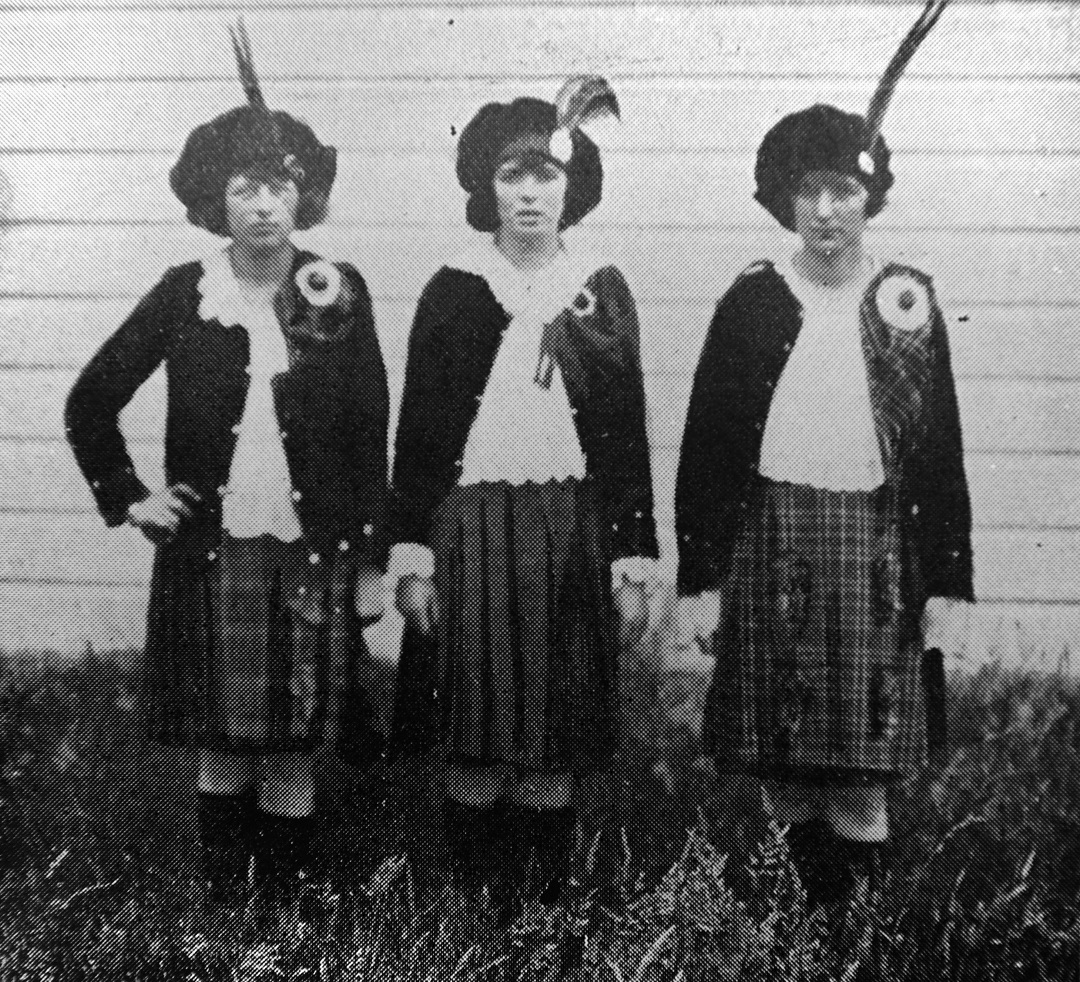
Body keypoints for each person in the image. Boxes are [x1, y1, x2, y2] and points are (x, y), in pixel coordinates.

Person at [65, 23, 389, 908]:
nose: (262, 205)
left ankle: (280, 923)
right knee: (220, 743)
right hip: (209, 549)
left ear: (303, 195)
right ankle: (223, 915)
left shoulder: (338, 291)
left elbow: (369, 433)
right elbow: (90, 400)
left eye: (279, 185)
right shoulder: (183, 292)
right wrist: (130, 496)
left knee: (289, 745)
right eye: (245, 187)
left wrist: (368, 561)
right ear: (219, 199)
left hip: (306, 553)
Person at [676, 0, 973, 904]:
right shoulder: (753, 303)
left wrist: (949, 582)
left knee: (858, 767)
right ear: (784, 201)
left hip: (874, 549)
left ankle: (854, 935)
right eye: (809, 192)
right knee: (783, 760)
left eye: (844, 191)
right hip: (773, 541)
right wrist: (701, 576)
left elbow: (938, 452)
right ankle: (789, 930)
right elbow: (709, 447)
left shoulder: (906, 303)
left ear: (869, 195)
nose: (827, 211)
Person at [389, 79, 658, 915]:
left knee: (551, 737)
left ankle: (538, 919)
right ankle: (473, 915)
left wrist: (631, 555)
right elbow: (421, 434)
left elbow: (623, 433)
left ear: (573, 185)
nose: (531, 191)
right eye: (513, 174)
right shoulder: (456, 288)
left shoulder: (598, 289)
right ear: (487, 185)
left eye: (547, 173)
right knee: (474, 731)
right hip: (470, 525)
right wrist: (412, 552)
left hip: (568, 528)